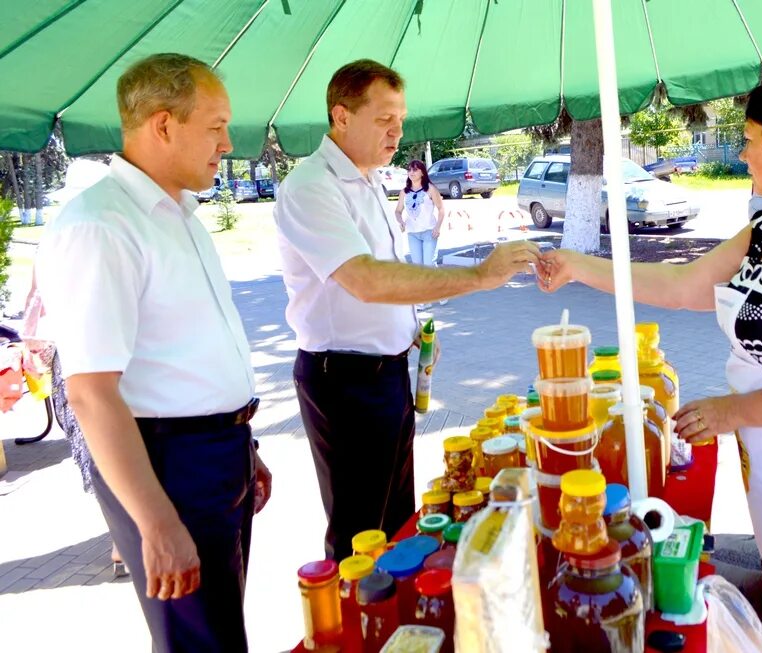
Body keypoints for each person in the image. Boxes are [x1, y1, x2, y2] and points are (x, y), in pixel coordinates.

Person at [538, 75, 762, 652]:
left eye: (749, 140)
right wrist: (579, 266)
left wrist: (732, 411)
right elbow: (686, 284)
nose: (741, 154)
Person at [36, 53, 272, 652]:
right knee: (198, 642)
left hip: (217, 452)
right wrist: (156, 520)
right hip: (168, 464)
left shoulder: (179, 215)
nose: (228, 142)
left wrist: (243, 446)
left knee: (222, 630)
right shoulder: (102, 225)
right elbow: (90, 392)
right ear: (163, 125)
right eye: (215, 125)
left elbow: (188, 351)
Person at [274, 58, 540, 561]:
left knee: (395, 525)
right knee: (360, 534)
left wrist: (411, 329)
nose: (397, 134)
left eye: (400, 120)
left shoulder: (370, 178)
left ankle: (399, 628)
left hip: (386, 375)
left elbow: (385, 275)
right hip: (344, 381)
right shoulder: (312, 187)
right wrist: (481, 275)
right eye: (384, 120)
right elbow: (366, 280)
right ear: (341, 117)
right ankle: (360, 632)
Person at [22, 272, 128, 576]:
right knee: (114, 445)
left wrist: (34, 348)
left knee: (99, 448)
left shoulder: (57, 237)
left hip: (75, 361)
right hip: (107, 357)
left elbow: (34, 302)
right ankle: (124, 538)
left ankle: (122, 539)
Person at [395, 159, 447, 305]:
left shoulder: (430, 189)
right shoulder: (404, 192)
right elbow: (398, 211)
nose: (411, 172)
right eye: (409, 170)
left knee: (429, 264)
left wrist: (437, 227)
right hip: (413, 233)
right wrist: (400, 221)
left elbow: (441, 209)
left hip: (429, 232)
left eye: (415, 170)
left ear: (422, 172)